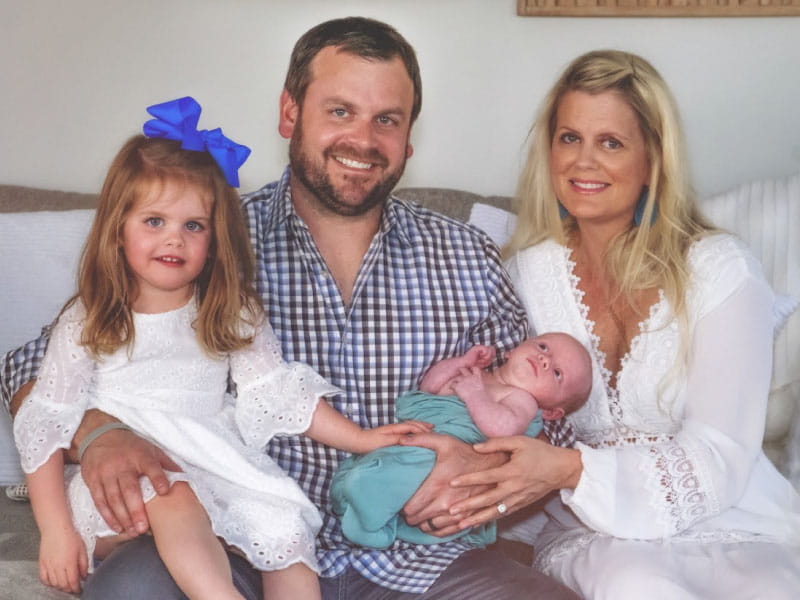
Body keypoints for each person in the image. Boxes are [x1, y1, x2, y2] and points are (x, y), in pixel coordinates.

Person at [1, 17, 580, 600]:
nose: (363, 139)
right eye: (339, 111)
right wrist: (101, 432)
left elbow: (553, 414)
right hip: (232, 541)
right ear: (289, 113)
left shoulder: (464, 255)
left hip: (416, 554)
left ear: (408, 139)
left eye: (386, 119)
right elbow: (31, 367)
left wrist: (486, 484)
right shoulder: (206, 236)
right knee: (134, 593)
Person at [13, 97, 431, 600]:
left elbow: (277, 395)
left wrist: (365, 441)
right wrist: (55, 533)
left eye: (194, 226)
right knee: (173, 493)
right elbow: (45, 424)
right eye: (154, 221)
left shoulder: (231, 311)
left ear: (214, 239)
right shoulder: (92, 317)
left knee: (285, 529)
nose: (175, 240)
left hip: (215, 462)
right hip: (124, 487)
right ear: (117, 228)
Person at [441, 50, 800, 599]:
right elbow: (482, 405)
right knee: (637, 586)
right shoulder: (522, 275)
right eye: (569, 138)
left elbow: (723, 453)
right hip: (595, 532)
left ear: (654, 158)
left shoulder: (720, 268)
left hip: (738, 514)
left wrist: (567, 469)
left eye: (611, 142)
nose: (584, 162)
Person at [331, 333, 592, 549]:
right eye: (543, 346)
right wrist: (462, 362)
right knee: (387, 461)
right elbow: (430, 386)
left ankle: (368, 518)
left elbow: (503, 429)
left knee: (407, 469)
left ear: (551, 413)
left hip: (445, 455)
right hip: (412, 437)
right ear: (512, 350)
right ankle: (361, 502)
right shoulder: (476, 374)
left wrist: (476, 396)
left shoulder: (522, 400)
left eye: (557, 373)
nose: (544, 360)